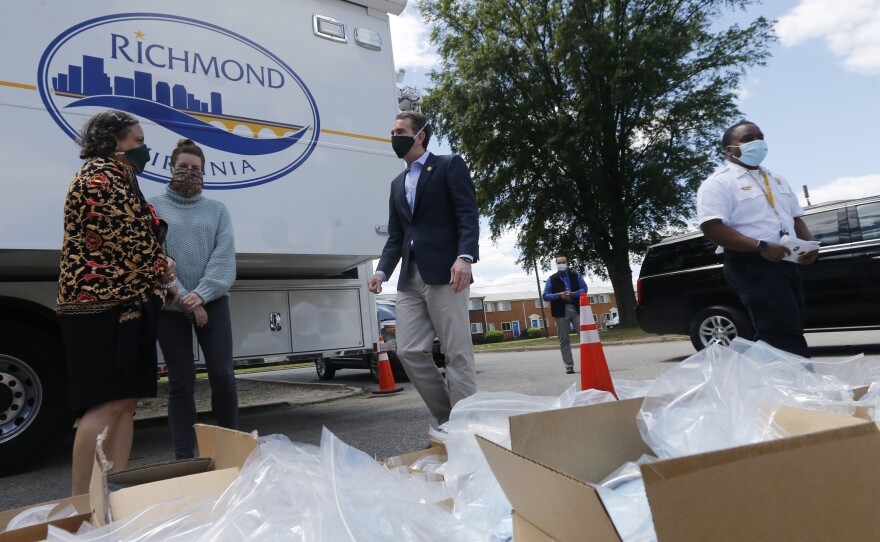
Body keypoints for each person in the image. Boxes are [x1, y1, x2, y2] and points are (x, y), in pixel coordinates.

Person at [57, 110, 177, 495]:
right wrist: (163, 266)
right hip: (99, 308)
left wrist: (161, 267)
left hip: (126, 303)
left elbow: (138, 237)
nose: (145, 149)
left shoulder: (120, 179)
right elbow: (125, 240)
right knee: (104, 405)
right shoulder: (99, 178)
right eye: (138, 142)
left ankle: (112, 497)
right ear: (113, 142)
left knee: (125, 404)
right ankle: (83, 504)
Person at [367, 111, 479, 425]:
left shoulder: (448, 165)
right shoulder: (397, 183)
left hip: (447, 271)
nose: (394, 137)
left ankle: (466, 428)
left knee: (456, 353)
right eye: (392, 131)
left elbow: (467, 215)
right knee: (409, 351)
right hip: (409, 278)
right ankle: (451, 420)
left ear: (420, 136)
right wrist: (381, 272)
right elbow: (397, 236)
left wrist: (465, 257)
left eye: (400, 130)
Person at [696, 120, 818, 358]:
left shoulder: (777, 179)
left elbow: (795, 219)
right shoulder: (718, 183)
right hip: (750, 263)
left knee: (787, 324)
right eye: (748, 139)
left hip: (786, 261)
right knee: (781, 329)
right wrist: (760, 246)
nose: (758, 142)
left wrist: (811, 245)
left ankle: (749, 380)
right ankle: (800, 384)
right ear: (730, 150)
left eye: (760, 136)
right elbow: (711, 227)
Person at [150, 139, 238, 459]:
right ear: (171, 169)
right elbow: (156, 257)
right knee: (181, 381)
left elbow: (224, 257)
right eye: (183, 167)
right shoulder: (154, 208)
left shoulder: (217, 210)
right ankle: (184, 458)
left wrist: (201, 294)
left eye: (196, 169)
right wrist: (188, 298)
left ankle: (230, 448)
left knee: (223, 376)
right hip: (171, 304)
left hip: (212, 299)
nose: (189, 173)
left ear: (204, 173)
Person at [542, 255, 588, 374]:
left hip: (576, 309)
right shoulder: (552, 279)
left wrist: (573, 294)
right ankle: (569, 366)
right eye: (559, 262)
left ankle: (590, 363)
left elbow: (584, 288)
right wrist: (558, 295)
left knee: (584, 336)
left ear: (567, 263)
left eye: (563, 262)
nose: (561, 264)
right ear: (556, 264)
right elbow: (545, 296)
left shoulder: (575, 275)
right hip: (561, 311)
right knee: (564, 340)